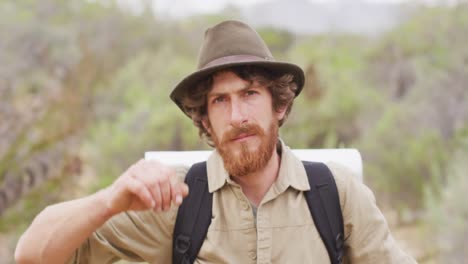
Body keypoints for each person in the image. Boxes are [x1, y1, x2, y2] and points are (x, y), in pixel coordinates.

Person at [15, 20, 416, 264]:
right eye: (219, 101)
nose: (237, 116)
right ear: (204, 119)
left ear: (279, 105)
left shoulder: (336, 194)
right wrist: (111, 198)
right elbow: (33, 254)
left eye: (250, 94)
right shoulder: (175, 202)